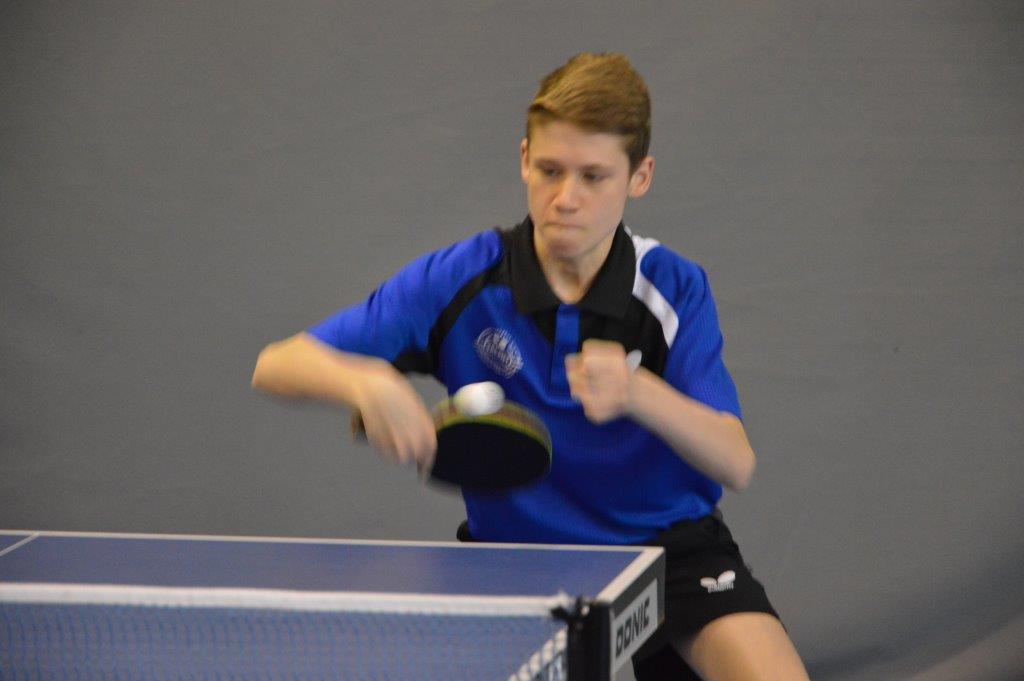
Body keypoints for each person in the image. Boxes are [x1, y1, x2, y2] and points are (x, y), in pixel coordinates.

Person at [252, 53, 809, 681]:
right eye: (549, 170)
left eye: (594, 177)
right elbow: (275, 365)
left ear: (640, 177)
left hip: (668, 552)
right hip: (515, 562)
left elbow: (736, 462)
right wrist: (365, 380)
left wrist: (639, 392)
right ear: (524, 160)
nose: (566, 198)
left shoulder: (672, 288)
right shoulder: (461, 279)